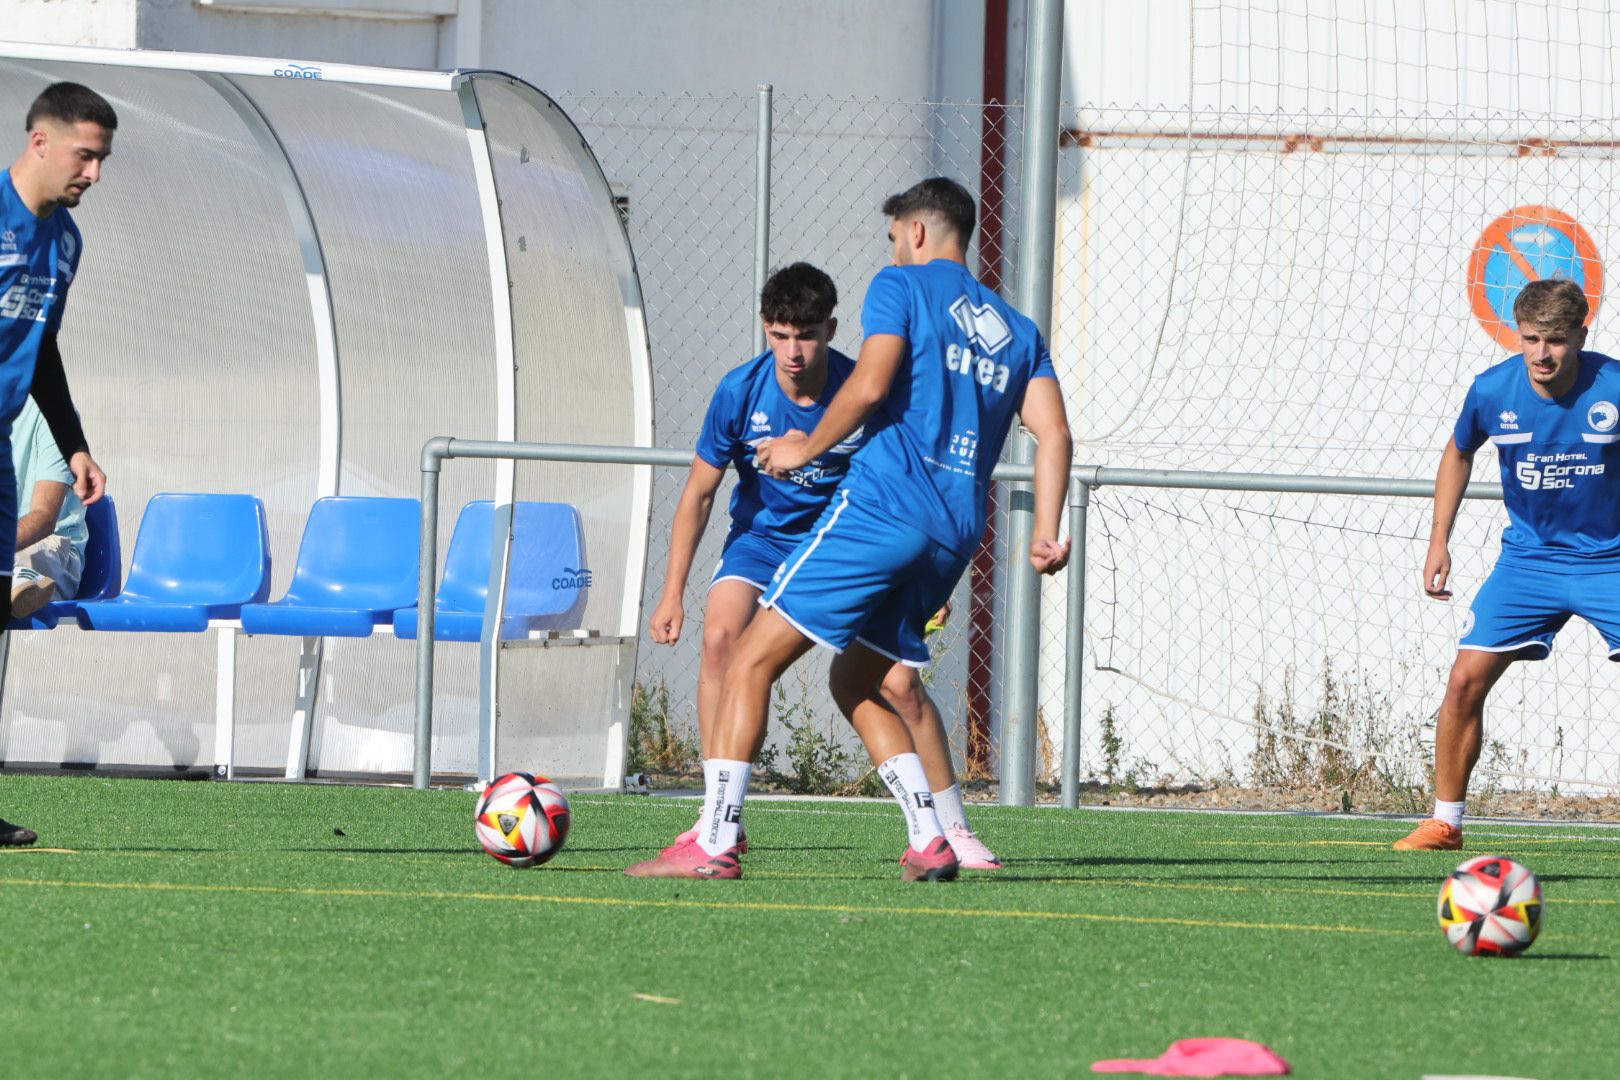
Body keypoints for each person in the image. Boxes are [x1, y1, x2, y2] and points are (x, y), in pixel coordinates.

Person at [628, 177, 1072, 880]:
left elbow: (868, 386)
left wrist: (804, 447)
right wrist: (1049, 530)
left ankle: (713, 840)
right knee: (858, 680)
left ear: (918, 232)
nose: (893, 245)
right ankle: (930, 837)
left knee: (749, 660)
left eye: (895, 232)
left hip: (883, 509)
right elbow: (1054, 434)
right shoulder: (1018, 331)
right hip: (955, 533)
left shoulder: (900, 288)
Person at [647, 261, 1002, 868]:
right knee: (720, 639)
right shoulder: (739, 391)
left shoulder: (864, 387)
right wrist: (672, 590)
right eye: (781, 334)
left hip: (844, 543)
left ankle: (954, 829)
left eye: (806, 334)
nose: (793, 350)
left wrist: (918, 577)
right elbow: (699, 493)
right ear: (765, 328)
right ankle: (717, 816)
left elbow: (913, 479)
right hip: (760, 544)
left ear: (832, 329)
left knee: (899, 685)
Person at [1396, 278, 1620, 851]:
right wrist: (1438, 540)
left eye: (1557, 341)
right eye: (1531, 339)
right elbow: (1459, 451)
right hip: (1529, 563)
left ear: (1581, 336)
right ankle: (1445, 822)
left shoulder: (1615, 387)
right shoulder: (1492, 391)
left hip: (1610, 562)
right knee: (1464, 679)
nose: (1543, 354)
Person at [0, 83, 114, 847]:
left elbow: (41, 352)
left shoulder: (65, 242)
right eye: (86, 155)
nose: (95, 174)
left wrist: (72, 442)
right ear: (40, 142)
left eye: (103, 160)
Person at [9, 397, 88, 619]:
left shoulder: (52, 411)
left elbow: (44, 518)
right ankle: (14, 578)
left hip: (51, 548)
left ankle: (17, 577)